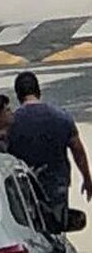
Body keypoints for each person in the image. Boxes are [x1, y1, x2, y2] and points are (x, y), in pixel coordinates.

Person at [6, 72, 92, 224]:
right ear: (38, 91)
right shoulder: (61, 116)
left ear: (18, 95)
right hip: (56, 184)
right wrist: (87, 178)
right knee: (57, 226)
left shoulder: (11, 123)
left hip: (24, 187)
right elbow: (77, 150)